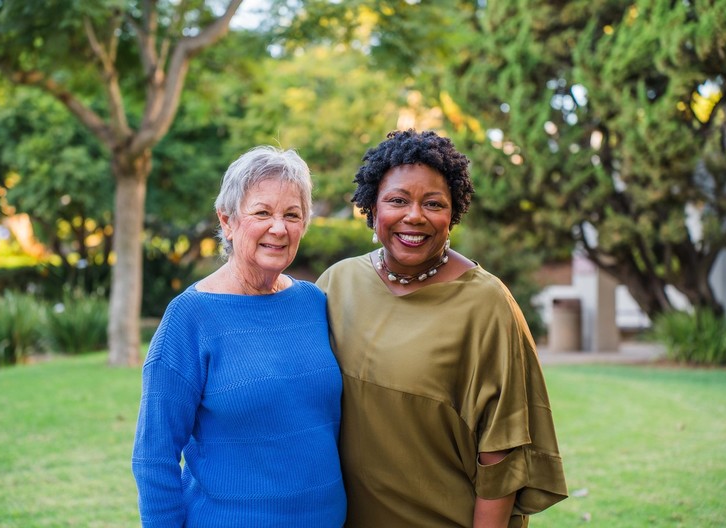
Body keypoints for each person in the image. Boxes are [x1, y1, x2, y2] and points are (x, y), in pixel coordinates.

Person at [316, 130, 567, 528]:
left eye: (433, 203)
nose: (414, 216)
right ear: (371, 208)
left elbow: (500, 452)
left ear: (453, 214)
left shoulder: (486, 304)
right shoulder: (336, 284)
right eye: (397, 200)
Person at [132, 146, 346, 527]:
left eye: (292, 215)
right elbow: (154, 457)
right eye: (262, 212)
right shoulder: (189, 317)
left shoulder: (314, 303)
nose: (278, 228)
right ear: (227, 221)